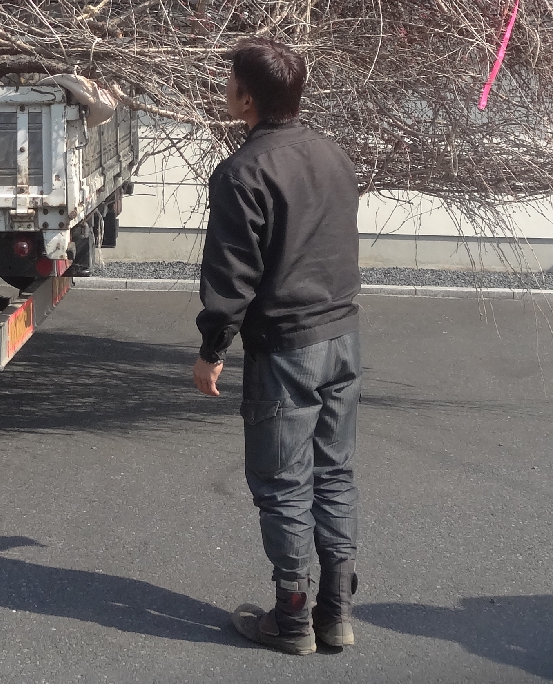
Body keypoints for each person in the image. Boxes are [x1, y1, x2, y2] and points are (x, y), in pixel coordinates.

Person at [192, 36, 362, 655]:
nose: (225, 90)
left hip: (288, 346)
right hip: (343, 336)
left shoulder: (244, 172)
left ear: (248, 97)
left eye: (230, 81)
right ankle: (336, 613)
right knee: (334, 474)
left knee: (284, 483)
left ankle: (292, 620)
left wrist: (212, 350)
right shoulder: (332, 154)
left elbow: (232, 276)